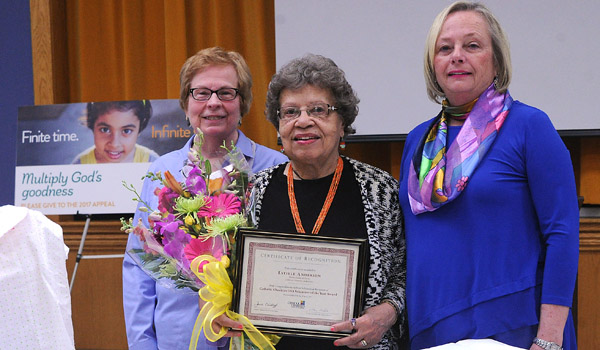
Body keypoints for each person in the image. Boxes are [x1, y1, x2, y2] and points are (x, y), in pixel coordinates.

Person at [397, 2, 579, 349]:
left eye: (473, 45)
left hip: (516, 327)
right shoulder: (417, 140)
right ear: (432, 64)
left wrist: (550, 336)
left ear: (496, 59)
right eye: (445, 48)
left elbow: (563, 233)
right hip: (430, 328)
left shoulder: (529, 126)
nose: (457, 56)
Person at [209, 54, 406, 350]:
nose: (303, 121)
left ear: (342, 124)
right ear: (279, 127)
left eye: (319, 110)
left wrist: (387, 313)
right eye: (290, 112)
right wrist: (224, 306)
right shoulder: (253, 190)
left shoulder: (381, 189)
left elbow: (407, 273)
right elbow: (232, 272)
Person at [122, 47, 288, 350]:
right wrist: (142, 344)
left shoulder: (277, 169)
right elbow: (140, 266)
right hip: (180, 339)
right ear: (186, 105)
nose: (213, 103)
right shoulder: (162, 172)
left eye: (226, 93)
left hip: (251, 337)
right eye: (201, 93)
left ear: (243, 103)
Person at [72, 100, 159, 164]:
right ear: (92, 125)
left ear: (140, 128)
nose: (114, 144)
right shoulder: (80, 165)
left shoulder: (152, 163)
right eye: (105, 130)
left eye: (126, 131)